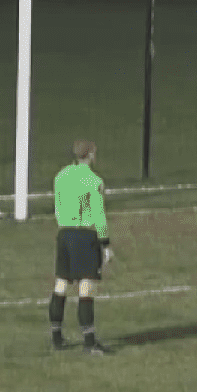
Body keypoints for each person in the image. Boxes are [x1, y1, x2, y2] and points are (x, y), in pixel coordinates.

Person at [50, 139, 114, 354]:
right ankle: (89, 342)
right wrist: (105, 243)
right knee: (86, 287)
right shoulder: (94, 180)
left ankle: (57, 338)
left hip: (64, 234)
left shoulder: (61, 176)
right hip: (84, 235)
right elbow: (98, 214)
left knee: (61, 284)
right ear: (91, 154)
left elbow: (57, 204)